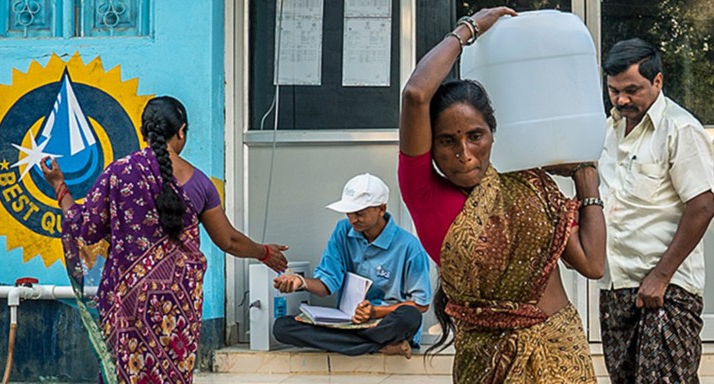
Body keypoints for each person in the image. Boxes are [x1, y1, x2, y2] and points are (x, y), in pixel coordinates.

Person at [397, 6, 608, 383]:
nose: (464, 153)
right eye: (447, 141)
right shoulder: (423, 192)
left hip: (561, 355)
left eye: (475, 136)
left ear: (493, 134)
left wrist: (584, 175)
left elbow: (592, 264)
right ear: (430, 147)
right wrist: (469, 29)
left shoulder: (529, 186)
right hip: (487, 363)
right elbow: (415, 94)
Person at [41, 96, 289, 384]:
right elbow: (229, 241)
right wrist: (264, 252)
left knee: (126, 374)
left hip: (127, 301)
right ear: (181, 131)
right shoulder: (199, 183)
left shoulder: (118, 174)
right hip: (178, 303)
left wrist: (59, 185)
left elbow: (84, 228)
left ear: (143, 131)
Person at [597, 38, 714, 383]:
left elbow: (703, 206)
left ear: (658, 81)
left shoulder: (680, 129)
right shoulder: (609, 129)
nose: (621, 100)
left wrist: (661, 276)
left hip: (665, 288)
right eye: (613, 90)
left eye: (632, 90)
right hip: (617, 286)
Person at [271, 173, 432, 358]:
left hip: (384, 323)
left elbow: (421, 304)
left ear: (381, 209)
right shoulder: (343, 231)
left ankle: (349, 343)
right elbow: (327, 283)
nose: (353, 219)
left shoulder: (409, 246)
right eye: (349, 212)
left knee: (409, 317)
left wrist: (374, 312)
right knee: (282, 327)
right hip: (348, 322)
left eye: (359, 213)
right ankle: (378, 347)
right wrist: (300, 282)